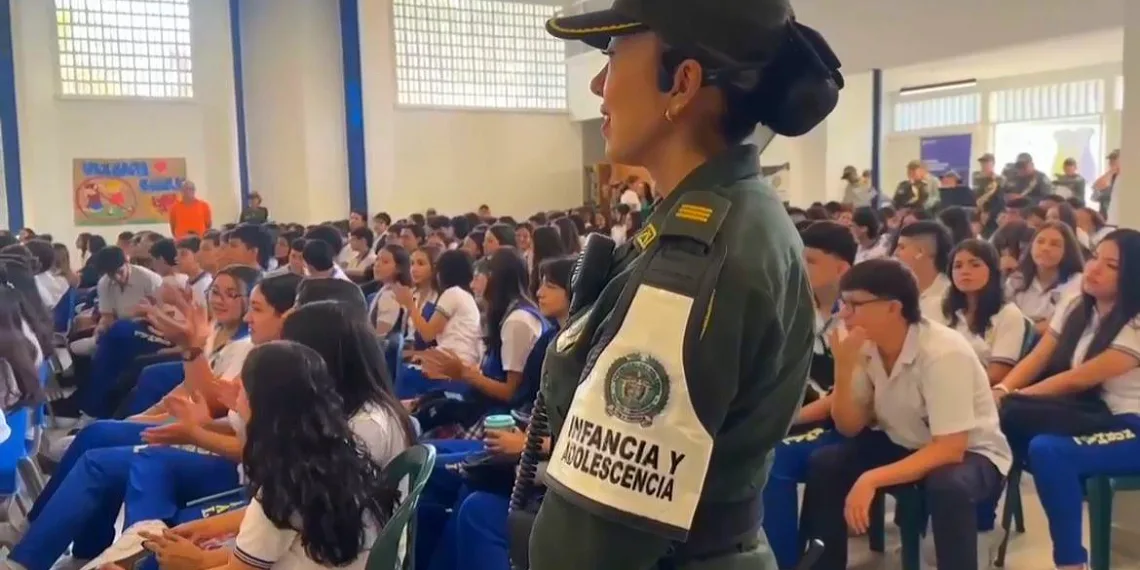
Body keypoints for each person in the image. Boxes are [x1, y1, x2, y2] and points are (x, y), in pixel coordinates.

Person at [530, 1, 842, 567]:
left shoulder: (696, 258)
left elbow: (597, 538)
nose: (600, 85)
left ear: (683, 83)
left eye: (616, 56)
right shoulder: (716, 215)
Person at [800, 258, 1011, 570]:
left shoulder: (942, 352)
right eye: (843, 304)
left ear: (892, 308)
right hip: (907, 441)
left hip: (971, 453)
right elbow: (849, 427)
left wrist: (871, 479)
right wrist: (843, 369)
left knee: (947, 485)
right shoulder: (865, 344)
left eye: (854, 305)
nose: (843, 314)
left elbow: (950, 448)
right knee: (827, 463)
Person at [993, 229, 1140, 570]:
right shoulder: (1078, 305)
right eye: (1094, 258)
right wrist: (1002, 391)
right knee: (1008, 427)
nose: (1095, 269)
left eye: (1111, 265)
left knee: (1047, 449)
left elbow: (1079, 377)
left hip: (1132, 426)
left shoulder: (1135, 322)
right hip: (1097, 416)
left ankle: (1071, 563)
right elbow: (1037, 357)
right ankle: (982, 527)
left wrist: (1011, 398)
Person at [763, 221, 853, 569]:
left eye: (811, 260)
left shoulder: (858, 314)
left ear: (842, 268)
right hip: (791, 415)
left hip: (842, 423)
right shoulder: (789, 306)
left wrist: (783, 420)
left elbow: (850, 394)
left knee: (772, 462)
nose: (800, 266)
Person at [892, 221, 952, 325]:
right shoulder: (896, 291)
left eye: (902, 247)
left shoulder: (948, 298)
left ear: (920, 252)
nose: (895, 253)